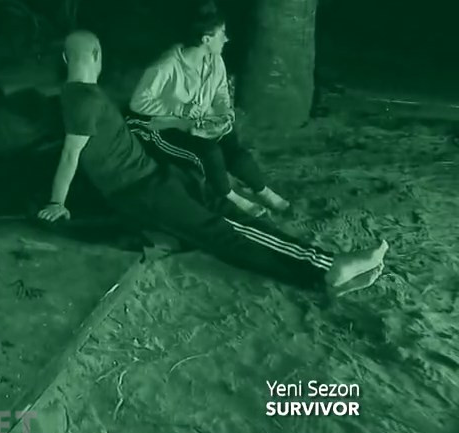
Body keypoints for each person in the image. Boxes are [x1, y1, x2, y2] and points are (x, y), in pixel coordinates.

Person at [37, 31, 388, 296]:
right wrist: (56, 202)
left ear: (66, 59)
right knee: (224, 230)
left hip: (156, 177)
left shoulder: (81, 95)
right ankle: (326, 267)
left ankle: (322, 268)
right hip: (140, 191)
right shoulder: (82, 99)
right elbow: (71, 154)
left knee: (229, 215)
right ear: (96, 55)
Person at [126, 2, 289, 219]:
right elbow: (138, 102)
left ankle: (262, 190)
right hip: (165, 126)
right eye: (222, 33)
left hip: (197, 123)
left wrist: (224, 112)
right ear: (205, 39)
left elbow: (221, 92)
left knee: (233, 147)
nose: (226, 39)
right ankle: (230, 196)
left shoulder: (214, 60)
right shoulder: (166, 66)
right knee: (209, 153)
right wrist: (180, 108)